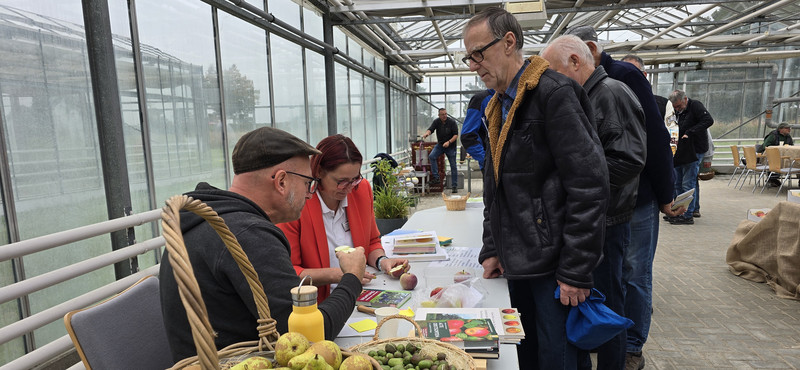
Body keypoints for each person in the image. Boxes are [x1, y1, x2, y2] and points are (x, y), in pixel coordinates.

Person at [463, 8, 610, 368]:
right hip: (520, 261)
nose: (473, 64)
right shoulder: (497, 105)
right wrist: (493, 247)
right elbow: (496, 189)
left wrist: (575, 270)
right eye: (468, 56)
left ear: (509, 42)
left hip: (553, 267)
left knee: (557, 357)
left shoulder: (554, 94)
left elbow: (589, 185)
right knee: (527, 354)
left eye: (479, 53)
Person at [159, 127, 367, 362]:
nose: (310, 195)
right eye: (308, 183)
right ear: (281, 181)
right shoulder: (249, 236)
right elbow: (306, 341)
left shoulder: (209, 218)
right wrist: (351, 277)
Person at [566, 27, 683, 370]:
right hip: (607, 199)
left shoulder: (622, 78)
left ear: (586, 51)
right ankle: (610, 339)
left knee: (633, 273)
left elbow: (654, 140)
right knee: (612, 274)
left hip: (637, 195)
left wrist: (665, 193)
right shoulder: (583, 87)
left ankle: (631, 345)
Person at [542, 35, 647, 370]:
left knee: (607, 305)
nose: (552, 82)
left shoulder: (611, 93)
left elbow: (630, 159)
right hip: (595, 218)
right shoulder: (586, 95)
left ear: (576, 61)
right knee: (590, 303)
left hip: (608, 220)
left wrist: (580, 184)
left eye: (555, 72)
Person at [277, 134, 408, 303]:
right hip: (319, 304)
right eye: (342, 181)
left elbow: (372, 241)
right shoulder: (296, 204)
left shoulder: (361, 191)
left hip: (360, 295)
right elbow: (290, 272)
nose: (348, 188)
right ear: (319, 172)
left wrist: (383, 262)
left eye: (354, 179)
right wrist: (344, 275)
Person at [668, 89, 714, 225]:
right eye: (675, 107)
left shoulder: (695, 106)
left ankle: (687, 214)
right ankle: (690, 209)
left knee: (687, 182)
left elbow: (708, 120)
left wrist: (690, 132)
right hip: (680, 150)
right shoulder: (675, 111)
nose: (677, 109)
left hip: (694, 150)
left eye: (678, 106)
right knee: (681, 181)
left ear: (685, 99)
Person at [422, 108, 459, 193]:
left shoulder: (452, 122)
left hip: (450, 146)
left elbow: (456, 135)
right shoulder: (436, 122)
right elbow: (430, 129)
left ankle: (454, 186)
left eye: (446, 114)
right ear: (439, 115)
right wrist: (426, 134)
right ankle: (436, 178)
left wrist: (449, 142)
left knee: (453, 166)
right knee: (432, 156)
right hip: (440, 145)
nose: (445, 116)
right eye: (442, 114)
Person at [460, 89, 494, 171]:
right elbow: (467, 136)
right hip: (492, 167)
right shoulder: (481, 99)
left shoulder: (519, 96)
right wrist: (486, 161)